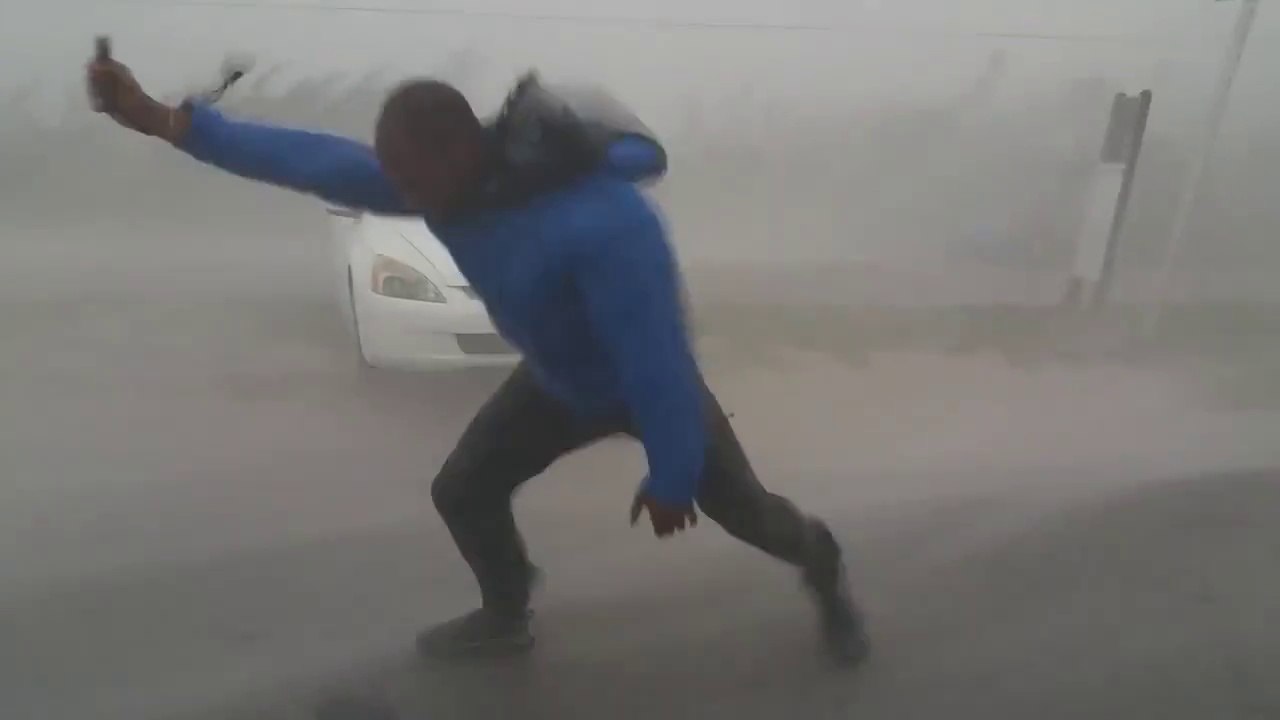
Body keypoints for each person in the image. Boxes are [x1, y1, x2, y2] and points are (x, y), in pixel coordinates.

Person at [86, 55, 870, 666]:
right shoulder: (436, 181)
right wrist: (161, 119)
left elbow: (657, 356)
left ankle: (819, 560)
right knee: (463, 489)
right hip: (557, 384)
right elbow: (313, 161)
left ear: (462, 150)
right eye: (391, 174)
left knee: (749, 516)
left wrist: (670, 476)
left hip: (639, 385)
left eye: (411, 176)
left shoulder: (603, 222)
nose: (399, 193)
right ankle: (506, 615)